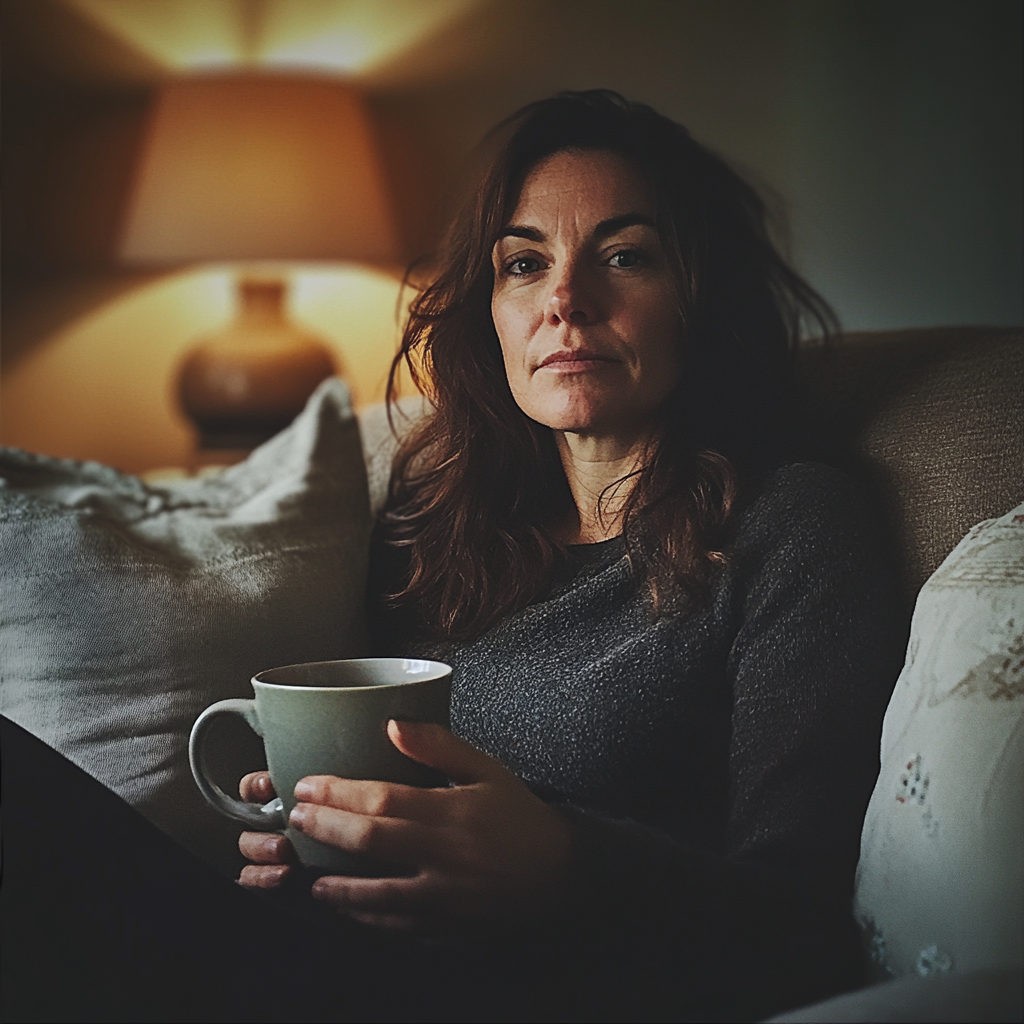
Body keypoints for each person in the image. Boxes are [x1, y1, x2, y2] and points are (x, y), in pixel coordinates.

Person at [234, 91, 904, 1020]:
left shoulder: (792, 528)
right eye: (523, 263)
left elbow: (806, 927)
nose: (564, 301)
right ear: (491, 311)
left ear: (699, 301)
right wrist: (315, 831)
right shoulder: (439, 531)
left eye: (624, 256)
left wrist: (566, 866)